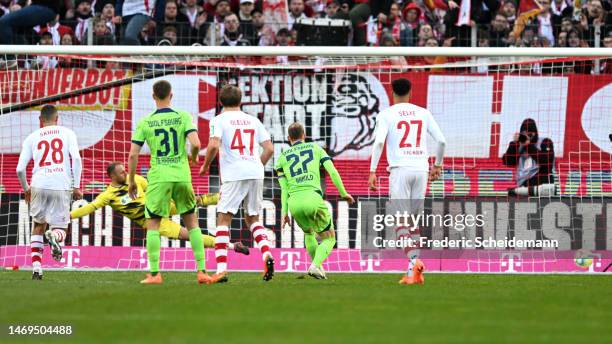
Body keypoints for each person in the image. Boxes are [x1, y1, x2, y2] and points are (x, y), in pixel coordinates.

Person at [128, 80, 211, 285]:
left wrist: (131, 181)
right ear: (171, 95)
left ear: (153, 96)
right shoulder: (183, 116)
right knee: (192, 224)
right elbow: (197, 144)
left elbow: (133, 155)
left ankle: (155, 274)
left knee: (153, 225)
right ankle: (202, 271)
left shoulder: (145, 122)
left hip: (159, 178)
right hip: (182, 176)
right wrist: (192, 157)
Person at [71, 162, 250, 255]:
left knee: (192, 200)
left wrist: (170, 196)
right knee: (188, 235)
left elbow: (153, 189)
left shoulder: (135, 180)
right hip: (151, 222)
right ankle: (233, 246)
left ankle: (225, 197)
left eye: (125, 171)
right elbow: (90, 208)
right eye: (121, 173)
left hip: (160, 205)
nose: (125, 174)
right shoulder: (108, 195)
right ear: (111, 176)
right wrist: (68, 216)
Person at [368, 78, 446, 285]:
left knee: (400, 222)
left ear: (392, 92)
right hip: (422, 169)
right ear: (411, 92)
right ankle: (413, 272)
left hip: (400, 170)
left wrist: (372, 170)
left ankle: (414, 262)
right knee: (413, 222)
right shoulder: (423, 113)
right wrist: (437, 165)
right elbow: (441, 141)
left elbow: (378, 143)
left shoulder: (386, 115)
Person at [199, 84, 275, 284]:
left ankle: (221, 270)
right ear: (240, 101)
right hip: (256, 172)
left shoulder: (218, 119)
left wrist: (205, 165)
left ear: (220, 101)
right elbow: (269, 149)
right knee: (253, 220)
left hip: (234, 174)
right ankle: (267, 255)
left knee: (223, 221)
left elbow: (214, 144)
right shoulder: (253, 120)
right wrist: (257, 165)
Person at [276, 123, 354, 279]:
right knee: (330, 238)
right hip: (312, 198)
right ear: (304, 135)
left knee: (308, 233)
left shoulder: (282, 158)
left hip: (294, 203)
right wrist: (343, 193)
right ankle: (315, 265)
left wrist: (284, 212)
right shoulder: (316, 148)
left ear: (288, 138)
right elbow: (332, 171)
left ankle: (318, 268)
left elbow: (284, 189)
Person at [16, 105, 83, 280]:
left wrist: (26, 189)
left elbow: (20, 169)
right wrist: (76, 186)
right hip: (61, 184)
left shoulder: (31, 137)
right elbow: (76, 158)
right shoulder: (68, 133)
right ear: (57, 118)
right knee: (61, 228)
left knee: (38, 226)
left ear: (40, 119)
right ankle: (54, 236)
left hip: (38, 184)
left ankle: (37, 269)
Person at [502, 118, 556, 197]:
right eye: (525, 135)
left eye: (529, 134)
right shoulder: (518, 144)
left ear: (535, 133)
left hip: (541, 181)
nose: (528, 137)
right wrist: (514, 144)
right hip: (524, 183)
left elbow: (547, 161)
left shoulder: (545, 142)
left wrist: (528, 146)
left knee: (546, 174)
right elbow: (507, 162)